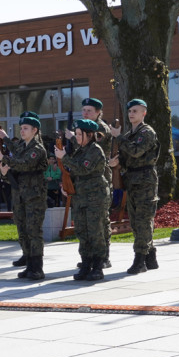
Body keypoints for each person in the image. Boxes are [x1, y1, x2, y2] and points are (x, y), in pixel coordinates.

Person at [0, 112, 48, 280]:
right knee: (23, 231)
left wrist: (2, 157)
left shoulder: (37, 149)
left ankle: (37, 268)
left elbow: (25, 165)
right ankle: (29, 265)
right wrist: (4, 173)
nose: (22, 131)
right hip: (20, 196)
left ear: (35, 130)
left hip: (33, 197)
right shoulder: (23, 148)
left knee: (33, 232)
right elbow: (15, 171)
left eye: (26, 128)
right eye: (21, 128)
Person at [109, 99, 161, 274]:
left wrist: (119, 137)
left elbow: (136, 151)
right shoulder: (130, 134)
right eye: (130, 111)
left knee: (143, 220)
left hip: (145, 180)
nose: (131, 114)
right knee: (136, 221)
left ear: (144, 113)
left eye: (135, 111)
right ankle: (150, 256)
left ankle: (140, 260)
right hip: (132, 179)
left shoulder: (147, 132)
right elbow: (128, 157)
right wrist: (117, 163)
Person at [57, 119, 110, 281]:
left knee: (95, 232)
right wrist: (66, 185)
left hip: (95, 197)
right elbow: (73, 171)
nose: (77, 137)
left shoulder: (95, 150)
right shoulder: (80, 151)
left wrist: (64, 157)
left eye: (80, 134)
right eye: (77, 134)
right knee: (82, 232)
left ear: (89, 135)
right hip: (81, 197)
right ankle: (86, 265)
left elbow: (83, 168)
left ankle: (98, 266)